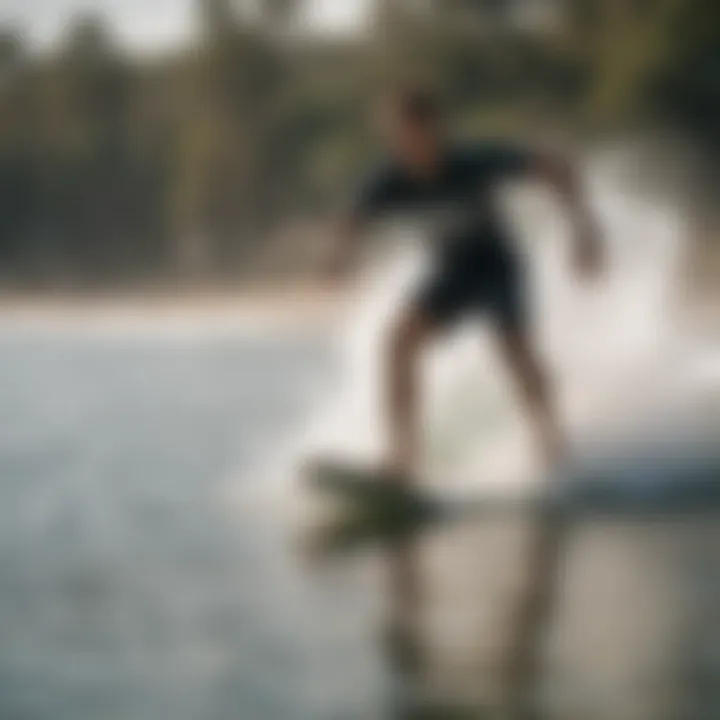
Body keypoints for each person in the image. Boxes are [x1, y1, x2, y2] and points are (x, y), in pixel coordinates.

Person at [328, 89, 602, 482]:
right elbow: (351, 219)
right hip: (451, 271)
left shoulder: (473, 162)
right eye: (397, 136)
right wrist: (339, 255)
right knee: (398, 341)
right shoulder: (388, 179)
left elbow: (556, 168)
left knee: (513, 347)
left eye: (413, 134)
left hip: (497, 267)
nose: (406, 145)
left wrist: (584, 231)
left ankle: (551, 443)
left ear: (434, 129)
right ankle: (403, 458)